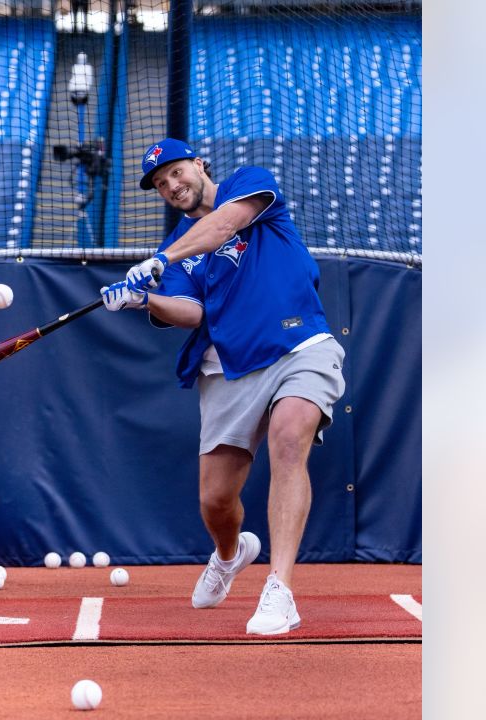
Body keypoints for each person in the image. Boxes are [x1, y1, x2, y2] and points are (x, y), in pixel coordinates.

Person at [100, 138, 346, 635]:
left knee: (289, 439)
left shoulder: (249, 187)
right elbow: (193, 313)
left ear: (198, 164)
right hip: (229, 367)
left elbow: (223, 226)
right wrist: (143, 299)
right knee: (215, 501)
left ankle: (280, 589)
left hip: (299, 345)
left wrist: (161, 261)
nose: (171, 185)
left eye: (175, 171)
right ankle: (230, 555)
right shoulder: (176, 255)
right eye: (160, 183)